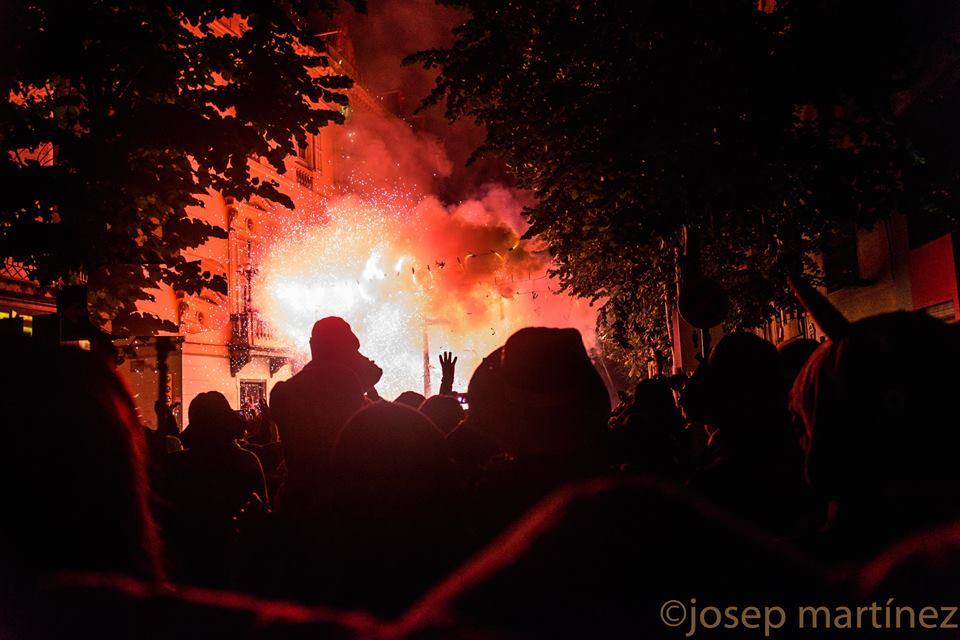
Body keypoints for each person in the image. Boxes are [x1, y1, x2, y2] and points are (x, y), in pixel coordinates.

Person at [269, 317, 376, 511]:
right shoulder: (347, 383)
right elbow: (375, 374)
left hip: (297, 501)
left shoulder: (283, 391)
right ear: (347, 348)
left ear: (313, 345)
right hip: (342, 499)